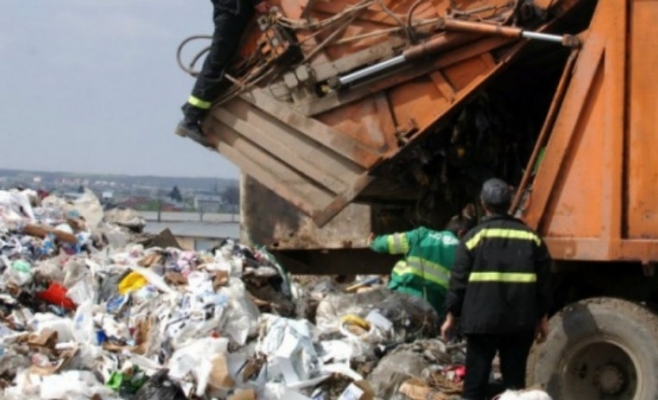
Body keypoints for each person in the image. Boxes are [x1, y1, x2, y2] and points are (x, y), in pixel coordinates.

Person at [442, 178, 551, 400]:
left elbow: (458, 282)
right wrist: (542, 318)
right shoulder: (531, 238)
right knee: (514, 386)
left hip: (481, 323)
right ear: (510, 203)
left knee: (474, 384)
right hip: (520, 323)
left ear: (484, 204)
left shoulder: (473, 238)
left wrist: (451, 316)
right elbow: (544, 285)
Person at [176, 0, 270, 142]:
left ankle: (192, 112)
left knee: (221, 62)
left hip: (232, 10)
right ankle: (190, 118)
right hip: (231, 11)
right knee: (216, 63)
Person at [368, 215, 474, 316]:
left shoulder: (421, 234)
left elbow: (389, 243)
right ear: (462, 234)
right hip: (433, 304)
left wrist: (373, 242)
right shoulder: (463, 251)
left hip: (400, 291)